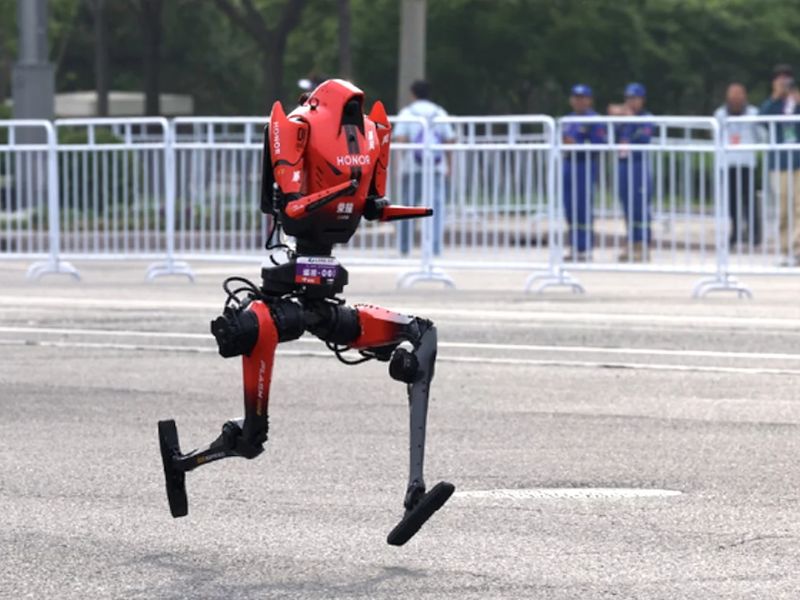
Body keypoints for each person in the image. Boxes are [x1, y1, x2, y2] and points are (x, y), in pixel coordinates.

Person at [393, 80, 456, 256]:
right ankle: (435, 248)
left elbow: (401, 140)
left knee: (407, 209)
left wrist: (398, 167)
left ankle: (404, 247)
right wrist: (450, 166)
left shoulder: (407, 113)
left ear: (413, 94)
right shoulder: (439, 112)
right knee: (436, 208)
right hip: (435, 168)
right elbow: (449, 139)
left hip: (412, 168)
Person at [608, 83, 654, 262]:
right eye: (628, 98)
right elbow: (612, 136)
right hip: (623, 163)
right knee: (626, 204)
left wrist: (631, 117)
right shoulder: (623, 119)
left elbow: (644, 137)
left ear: (642, 100)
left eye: (634, 98)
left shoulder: (646, 117)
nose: (631, 102)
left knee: (640, 205)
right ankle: (631, 241)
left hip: (638, 163)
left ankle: (642, 243)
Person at [759, 64, 800, 264]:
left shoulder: (797, 100)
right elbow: (761, 120)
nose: (784, 82)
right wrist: (775, 97)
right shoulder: (772, 104)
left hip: (799, 160)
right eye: (780, 79)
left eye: (787, 79)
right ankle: (784, 250)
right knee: (783, 208)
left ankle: (798, 249)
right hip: (780, 162)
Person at [714, 83, 762, 249]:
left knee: (750, 200)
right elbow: (716, 137)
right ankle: (735, 233)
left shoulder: (754, 113)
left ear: (745, 96)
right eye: (732, 94)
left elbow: (761, 134)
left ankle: (755, 234)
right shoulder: (720, 114)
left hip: (746, 162)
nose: (736, 98)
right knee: (731, 202)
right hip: (728, 163)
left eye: (739, 94)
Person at [562, 83, 605, 261]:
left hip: (584, 165)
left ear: (589, 100)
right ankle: (573, 245)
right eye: (575, 97)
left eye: (582, 98)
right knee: (569, 206)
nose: (578, 101)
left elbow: (600, 144)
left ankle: (584, 247)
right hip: (568, 163)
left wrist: (577, 146)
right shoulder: (568, 120)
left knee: (582, 206)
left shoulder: (594, 119)